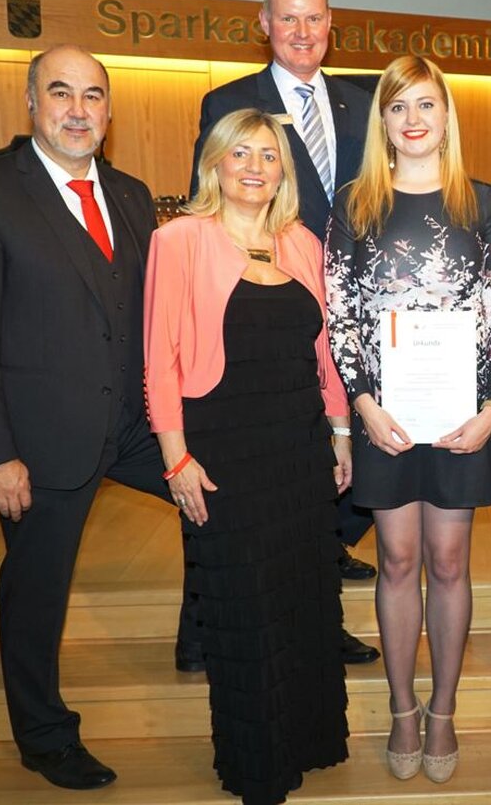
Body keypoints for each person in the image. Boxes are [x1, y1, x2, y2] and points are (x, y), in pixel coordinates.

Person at [0, 45, 178, 790]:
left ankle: (205, 638)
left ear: (109, 110)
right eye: (61, 93)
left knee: (222, 505)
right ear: (32, 102)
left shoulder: (133, 195)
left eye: (93, 96)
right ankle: (43, 734)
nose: (78, 109)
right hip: (37, 446)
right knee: (35, 595)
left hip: (134, 426)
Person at [145, 107, 350, 803]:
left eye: (269, 156)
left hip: (297, 446)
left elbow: (321, 349)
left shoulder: (300, 242)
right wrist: (176, 460)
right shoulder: (180, 240)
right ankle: (258, 761)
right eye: (241, 155)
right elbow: (160, 361)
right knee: (244, 604)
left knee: (301, 595)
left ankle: (310, 737)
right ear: (215, 165)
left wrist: (341, 431)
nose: (255, 167)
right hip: (223, 446)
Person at [324, 54, 491, 784]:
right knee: (398, 560)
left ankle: (444, 709)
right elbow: (340, 316)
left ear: (446, 116)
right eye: (398, 106)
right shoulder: (355, 204)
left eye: (425, 105)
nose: (413, 120)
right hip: (387, 419)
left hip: (461, 421)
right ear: (383, 120)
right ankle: (403, 709)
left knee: (448, 562)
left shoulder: (484, 203)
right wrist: (363, 405)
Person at [191, 0, 378, 666]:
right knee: (240, 483)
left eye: (316, 20)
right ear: (263, 24)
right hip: (262, 320)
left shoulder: (363, 103)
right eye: (288, 19)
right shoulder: (230, 102)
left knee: (332, 464)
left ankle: (315, 589)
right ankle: (205, 628)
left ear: (332, 25)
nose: (303, 33)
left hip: (346, 311)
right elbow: (208, 216)